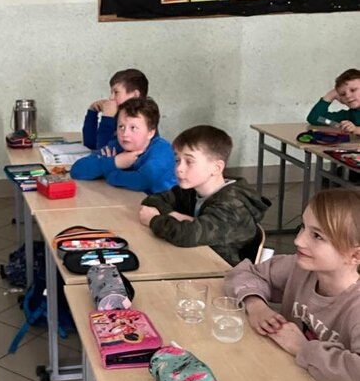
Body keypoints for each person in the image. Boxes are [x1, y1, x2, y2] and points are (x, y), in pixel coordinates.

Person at [224, 190, 360, 381]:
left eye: (317, 236)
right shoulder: (301, 268)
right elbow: (244, 273)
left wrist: (302, 348)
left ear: (355, 255)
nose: (298, 240)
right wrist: (256, 305)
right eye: (303, 227)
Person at [138, 125, 269, 265]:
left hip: (221, 271)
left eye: (189, 162)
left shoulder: (233, 207)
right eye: (177, 160)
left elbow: (187, 235)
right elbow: (153, 200)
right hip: (195, 259)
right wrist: (175, 215)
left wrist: (154, 220)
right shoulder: (191, 190)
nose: (179, 168)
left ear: (216, 168)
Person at [72, 97, 176, 194]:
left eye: (133, 128)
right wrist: (115, 162)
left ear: (151, 132)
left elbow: (143, 180)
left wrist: (111, 174)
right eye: (121, 127)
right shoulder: (117, 146)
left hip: (163, 206)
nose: (125, 134)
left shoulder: (162, 150)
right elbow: (77, 170)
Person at [83, 68, 149, 150]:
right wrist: (92, 111)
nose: (111, 98)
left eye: (116, 92)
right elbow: (90, 144)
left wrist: (107, 118)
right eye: (111, 93)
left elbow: (103, 152)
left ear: (135, 95)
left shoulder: (140, 121)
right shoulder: (119, 115)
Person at [307, 68, 360, 136]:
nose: (348, 96)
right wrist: (331, 95)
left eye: (353, 90)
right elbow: (315, 118)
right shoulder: (349, 116)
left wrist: (356, 129)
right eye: (343, 94)